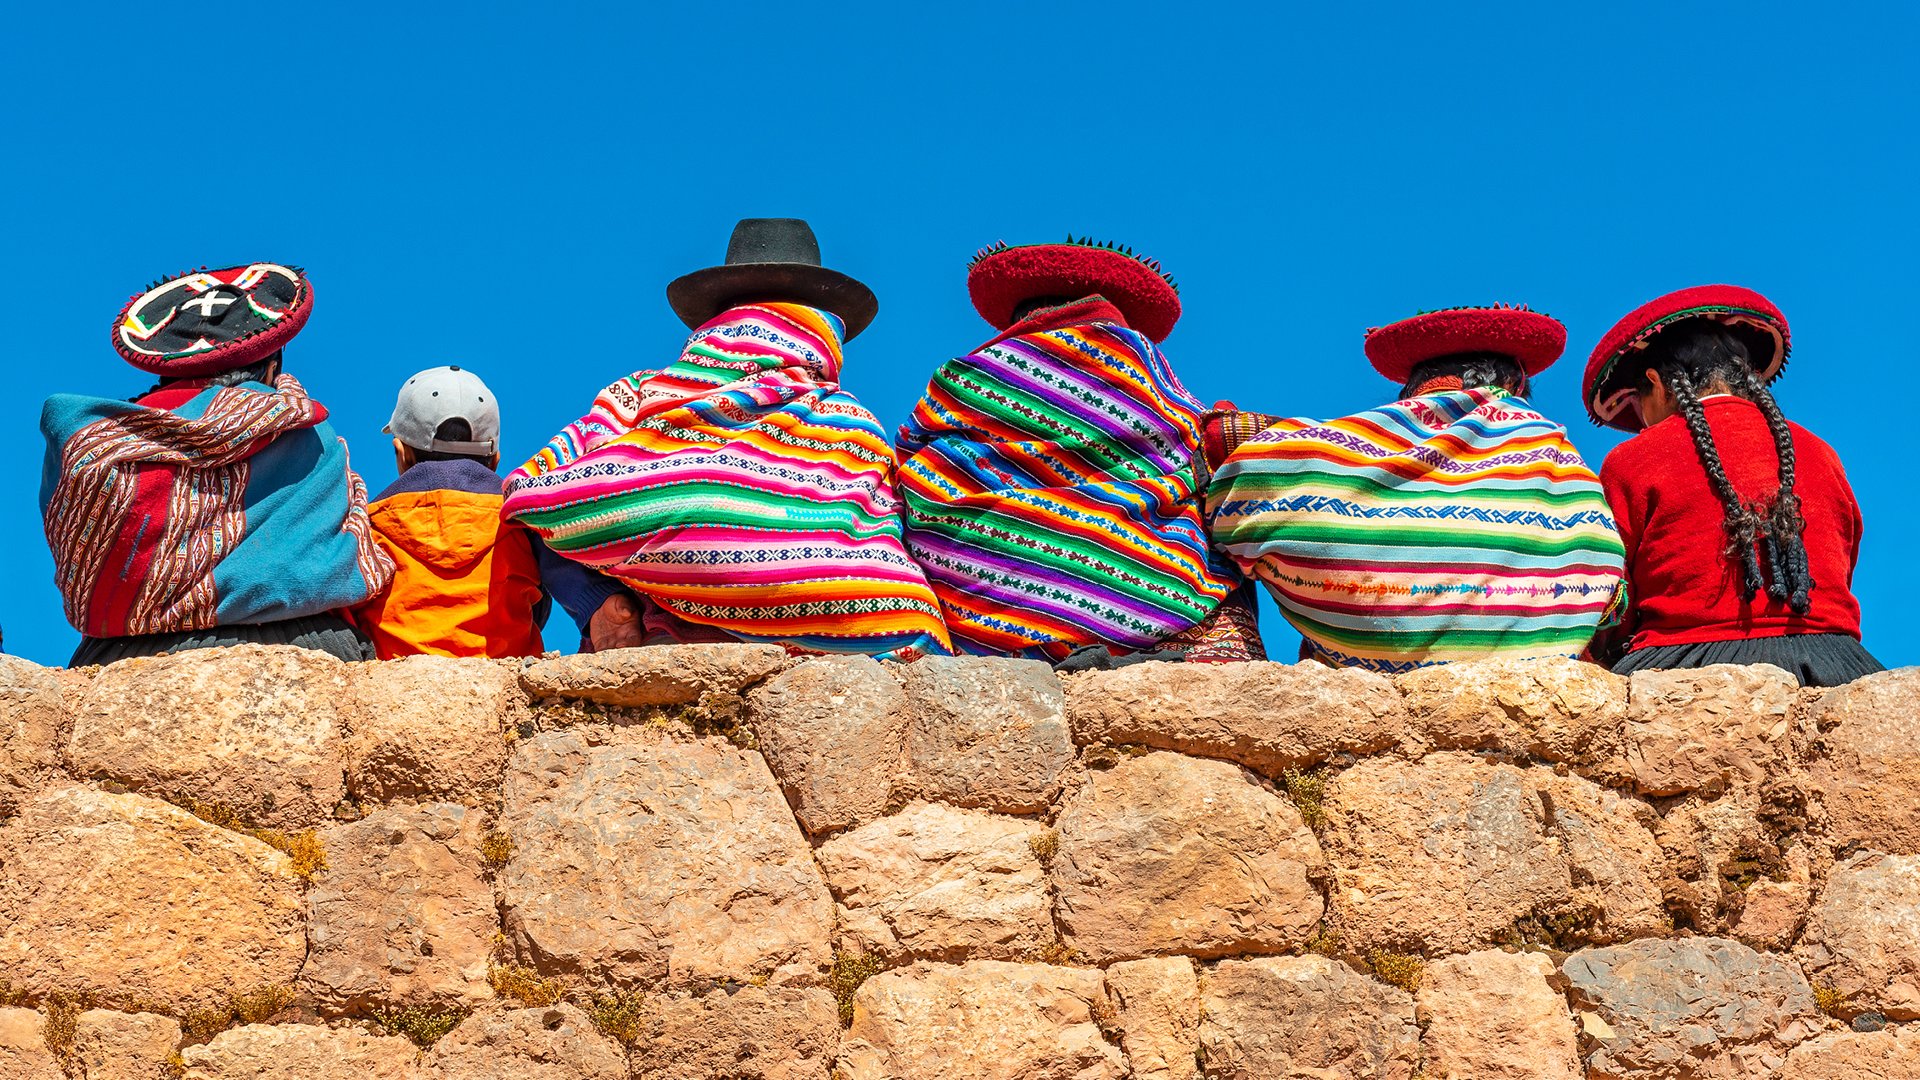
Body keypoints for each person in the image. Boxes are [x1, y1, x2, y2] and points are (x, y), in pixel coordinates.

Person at [502, 218, 951, 658]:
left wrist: (593, 601)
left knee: (552, 502)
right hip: (854, 636)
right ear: (822, 327)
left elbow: (533, 491)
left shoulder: (640, 394)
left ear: (718, 322)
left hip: (662, 640)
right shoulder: (852, 421)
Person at [894, 237, 1260, 667]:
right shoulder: (1148, 380)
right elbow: (1203, 448)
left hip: (990, 620)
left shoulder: (967, 381)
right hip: (1155, 602)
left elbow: (909, 461)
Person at [1207, 305, 1626, 672]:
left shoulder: (1346, 449)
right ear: (1518, 388)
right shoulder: (1552, 453)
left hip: (1363, 680)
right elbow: (1607, 586)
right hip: (1534, 675)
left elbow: (1248, 471)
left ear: (1412, 390)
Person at [41, 263, 394, 665]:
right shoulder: (309, 435)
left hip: (124, 655)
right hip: (304, 646)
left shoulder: (90, 443)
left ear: (166, 363)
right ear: (273, 364)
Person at [1581, 285, 1880, 686]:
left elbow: (1612, 593)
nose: (1644, 421)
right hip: (1832, 663)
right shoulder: (1819, 451)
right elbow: (1840, 564)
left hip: (1686, 661)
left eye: (1640, 403)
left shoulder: (1633, 460)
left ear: (1657, 382)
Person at [350, 365, 560, 658]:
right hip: (502, 671)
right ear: (495, 460)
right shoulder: (522, 522)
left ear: (401, 453)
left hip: (394, 674)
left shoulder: (366, 527)